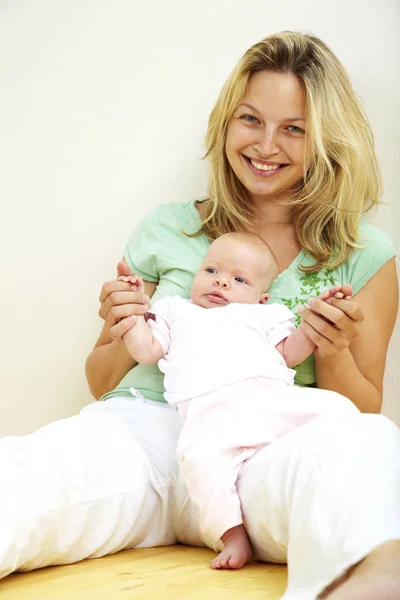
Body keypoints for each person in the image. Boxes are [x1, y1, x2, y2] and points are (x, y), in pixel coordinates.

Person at [0, 30, 399, 600]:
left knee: (369, 447)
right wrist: (120, 326)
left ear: (327, 140)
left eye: (294, 129)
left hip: (264, 445)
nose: (266, 145)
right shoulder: (169, 226)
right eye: (250, 119)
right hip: (147, 434)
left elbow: (360, 408)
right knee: (22, 470)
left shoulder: (365, 253)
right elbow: (101, 380)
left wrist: (329, 348)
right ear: (225, 123)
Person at [120, 231, 359, 570]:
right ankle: (232, 535)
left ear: (261, 298)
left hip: (271, 399)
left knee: (337, 408)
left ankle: (358, 473)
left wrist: (315, 322)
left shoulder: (265, 315)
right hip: (209, 412)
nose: (221, 284)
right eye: (211, 271)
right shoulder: (173, 309)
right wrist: (132, 315)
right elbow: (146, 351)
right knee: (199, 464)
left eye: (239, 279)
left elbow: (289, 353)